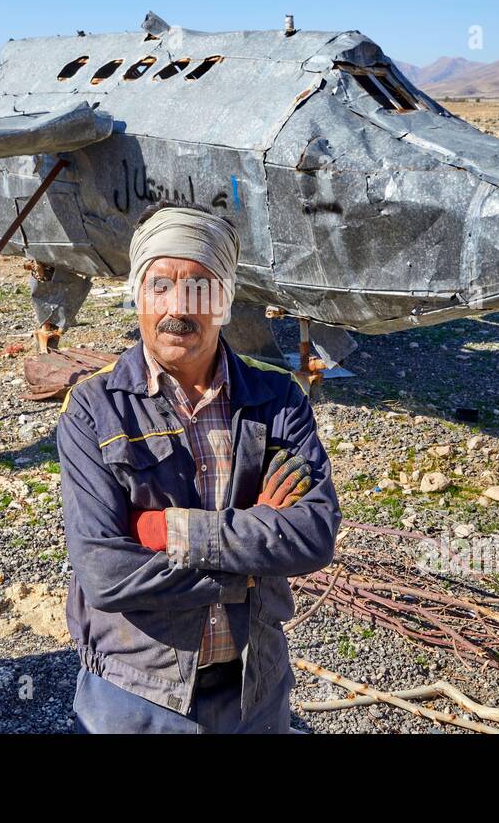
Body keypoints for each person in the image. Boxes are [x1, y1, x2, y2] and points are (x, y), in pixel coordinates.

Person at [56, 202, 341, 733]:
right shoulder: (95, 409)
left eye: (202, 287)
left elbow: (313, 536)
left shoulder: (276, 400)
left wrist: (170, 531)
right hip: (138, 695)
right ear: (137, 296)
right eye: (160, 284)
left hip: (255, 689)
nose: (178, 306)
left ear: (227, 302)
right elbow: (104, 574)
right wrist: (252, 558)